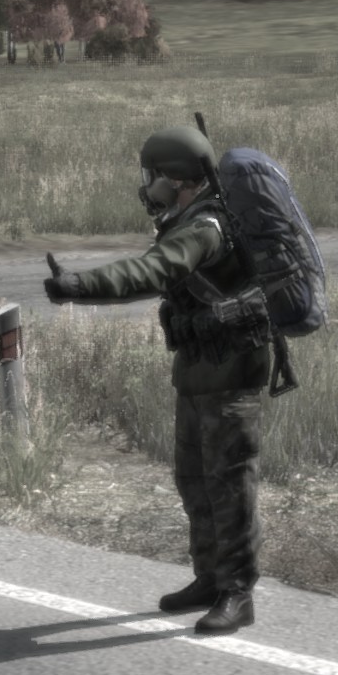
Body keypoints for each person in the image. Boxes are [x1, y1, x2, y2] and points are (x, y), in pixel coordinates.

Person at [43, 124, 270, 635]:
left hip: (231, 376)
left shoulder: (205, 227)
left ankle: (238, 594)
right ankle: (209, 577)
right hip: (198, 371)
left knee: (230, 487)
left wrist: (80, 286)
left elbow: (153, 271)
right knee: (194, 481)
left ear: (175, 178)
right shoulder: (189, 220)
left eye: (153, 176)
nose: (147, 186)